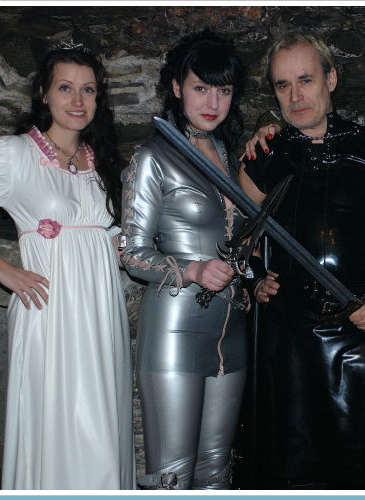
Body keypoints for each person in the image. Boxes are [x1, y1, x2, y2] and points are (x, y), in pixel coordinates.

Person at [0, 41, 134, 489]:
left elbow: (106, 237)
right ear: (43, 93)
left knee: (104, 428)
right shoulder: (13, 155)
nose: (77, 101)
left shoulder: (98, 161)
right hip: (51, 313)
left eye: (88, 90)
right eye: (65, 88)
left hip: (102, 314)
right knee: (64, 429)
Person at [239, 33, 365, 489]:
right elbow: (240, 237)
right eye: (283, 85)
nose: (295, 95)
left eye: (305, 80)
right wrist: (254, 279)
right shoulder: (263, 157)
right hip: (289, 338)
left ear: (331, 79)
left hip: (362, 326)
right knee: (294, 470)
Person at [119, 30, 248, 490]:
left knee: (217, 470)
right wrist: (192, 269)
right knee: (171, 476)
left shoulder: (230, 155)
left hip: (232, 329)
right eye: (201, 88)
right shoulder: (152, 157)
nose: (213, 102)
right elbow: (131, 253)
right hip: (175, 329)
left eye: (224, 90)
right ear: (176, 87)